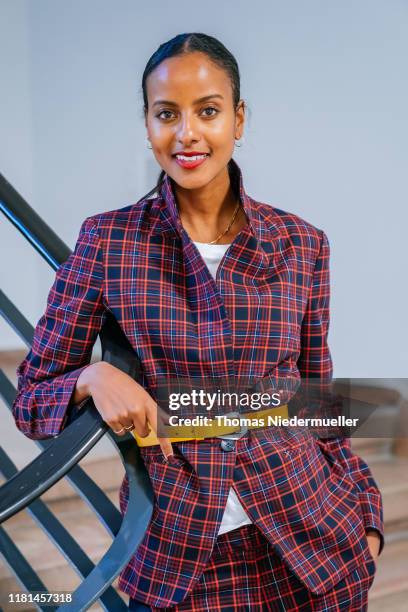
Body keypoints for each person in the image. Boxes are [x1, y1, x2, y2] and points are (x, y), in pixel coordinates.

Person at [13, 33, 384, 611]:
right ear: (147, 125)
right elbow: (32, 401)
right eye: (167, 114)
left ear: (238, 120)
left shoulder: (303, 244)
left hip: (316, 545)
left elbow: (320, 404)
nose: (186, 133)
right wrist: (91, 379)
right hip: (184, 557)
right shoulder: (107, 242)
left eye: (208, 111)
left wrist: (367, 520)